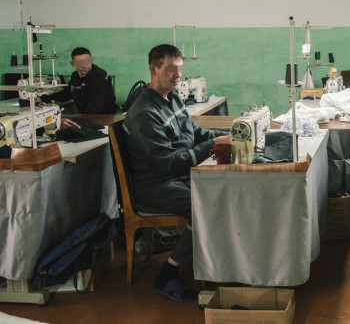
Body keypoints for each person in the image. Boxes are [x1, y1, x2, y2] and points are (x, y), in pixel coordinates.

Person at [123, 44, 230, 302]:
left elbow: (195, 133)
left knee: (225, 192)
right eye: (171, 69)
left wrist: (229, 134)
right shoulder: (144, 113)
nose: (178, 76)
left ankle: (214, 261)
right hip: (156, 184)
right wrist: (214, 145)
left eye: (180, 69)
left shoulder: (173, 98)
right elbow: (169, 163)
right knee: (205, 205)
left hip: (178, 176)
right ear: (153, 69)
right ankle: (167, 274)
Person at [38, 47, 117, 114]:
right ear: (72, 63)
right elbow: (66, 94)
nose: (84, 66)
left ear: (92, 60)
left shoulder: (99, 75)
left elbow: (95, 105)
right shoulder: (75, 76)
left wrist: (83, 121)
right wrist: (42, 99)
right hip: (84, 113)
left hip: (102, 117)